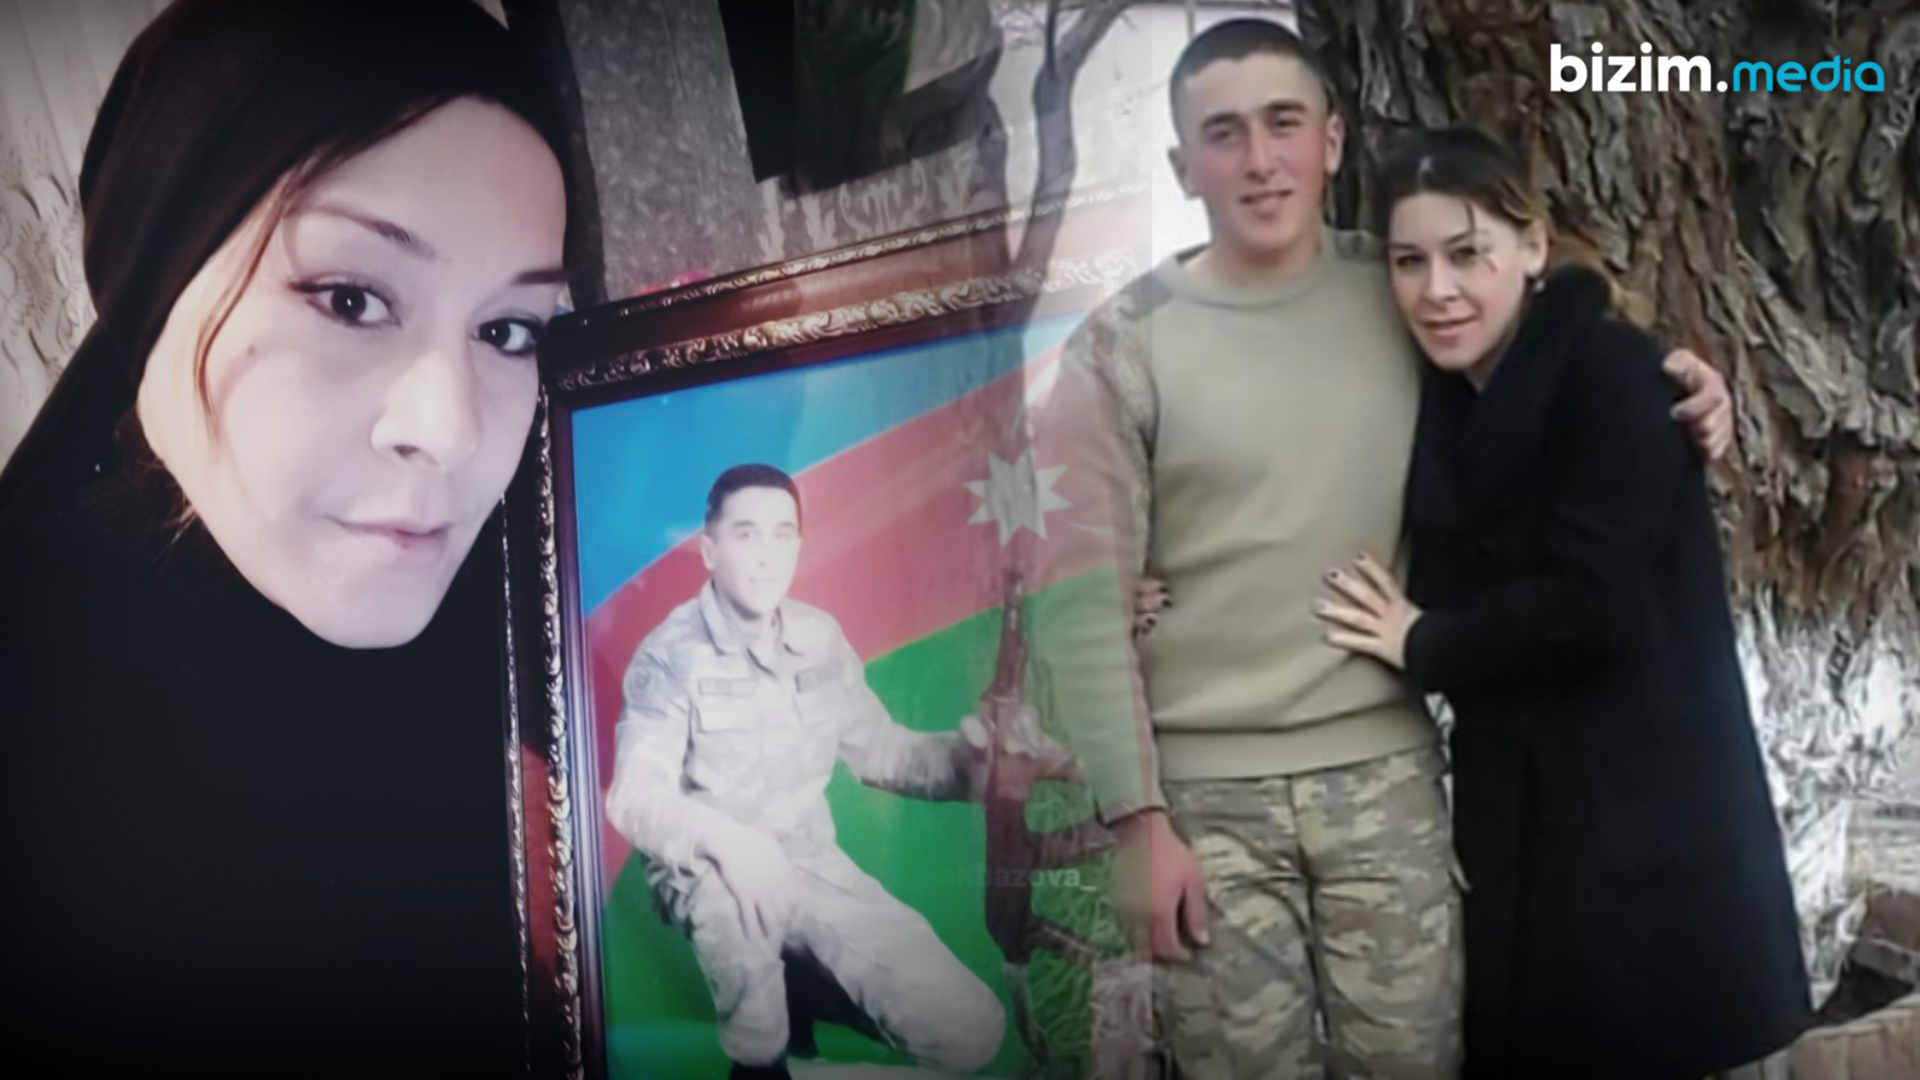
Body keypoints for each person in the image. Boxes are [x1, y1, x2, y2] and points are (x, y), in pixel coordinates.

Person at [1035, 18, 1734, 1079]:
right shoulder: (1122, 346)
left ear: (1332, 140)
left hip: (1389, 783)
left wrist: (1678, 378)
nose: (1260, 159)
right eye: (1224, 133)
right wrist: (1135, 823)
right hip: (1208, 800)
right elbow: (1080, 595)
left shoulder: (1404, 290)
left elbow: (1549, 352)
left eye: (1284, 122)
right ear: (1183, 167)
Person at [0, 0, 573, 1072]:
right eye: (351, 299)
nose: (448, 431)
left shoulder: (562, 617)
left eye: (508, 330)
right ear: (157, 284)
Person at [1313, 127, 1809, 1079]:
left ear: (1532, 246)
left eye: (1467, 254)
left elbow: (1590, 603)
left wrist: (1422, 642)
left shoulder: (1613, 376)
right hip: (1535, 815)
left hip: (1644, 819)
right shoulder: (1454, 390)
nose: (1438, 289)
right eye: (1410, 261)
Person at [604, 464, 1009, 1080]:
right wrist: (731, 843)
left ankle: (802, 1043)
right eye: (746, 534)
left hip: (810, 864)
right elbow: (634, 796)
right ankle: (763, 1060)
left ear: (798, 544)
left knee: (973, 1034)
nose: (766, 555)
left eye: (782, 534)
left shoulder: (818, 637)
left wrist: (977, 763)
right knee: (749, 990)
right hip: (708, 871)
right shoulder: (670, 655)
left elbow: (883, 752)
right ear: (710, 551)